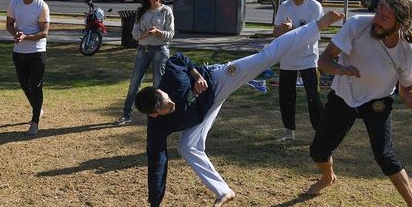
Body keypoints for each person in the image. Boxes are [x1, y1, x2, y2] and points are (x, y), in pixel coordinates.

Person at [134, 11, 345, 206]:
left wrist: (196, 75)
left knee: (266, 57)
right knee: (187, 147)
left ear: (160, 90)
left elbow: (179, 58)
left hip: (218, 79)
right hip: (202, 110)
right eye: (166, 108)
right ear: (154, 115)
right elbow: (157, 163)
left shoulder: (171, 81)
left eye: (167, 98)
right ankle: (223, 191)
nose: (171, 103)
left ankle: (318, 25)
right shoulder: (157, 129)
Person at [306, 0, 412, 207]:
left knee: (385, 155)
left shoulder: (407, 52)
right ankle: (328, 178)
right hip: (344, 97)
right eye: (378, 11)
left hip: (377, 102)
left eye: (385, 17)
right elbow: (324, 60)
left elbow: (407, 89)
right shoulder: (357, 25)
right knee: (318, 151)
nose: (377, 19)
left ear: (400, 23)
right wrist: (340, 69)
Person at [273, 0, 324, 141]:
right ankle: (289, 131)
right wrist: (283, 29)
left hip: (308, 59)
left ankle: (320, 132)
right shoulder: (284, 6)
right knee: (286, 97)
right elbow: (276, 33)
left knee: (313, 97)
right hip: (287, 58)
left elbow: (311, 34)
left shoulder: (314, 6)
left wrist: (290, 29)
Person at [115, 0, 174, 126]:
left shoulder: (166, 11)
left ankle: (159, 115)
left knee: (158, 84)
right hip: (143, 49)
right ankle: (126, 114)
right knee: (134, 83)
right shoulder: (141, 11)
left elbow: (171, 34)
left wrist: (158, 32)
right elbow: (135, 34)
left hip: (160, 49)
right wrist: (144, 35)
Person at [6, 0, 50, 135]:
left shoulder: (41, 6)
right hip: (19, 51)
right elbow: (9, 24)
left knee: (36, 86)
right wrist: (16, 33)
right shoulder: (14, 2)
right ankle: (38, 108)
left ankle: (35, 122)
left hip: (37, 50)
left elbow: (44, 33)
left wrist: (27, 37)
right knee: (25, 85)